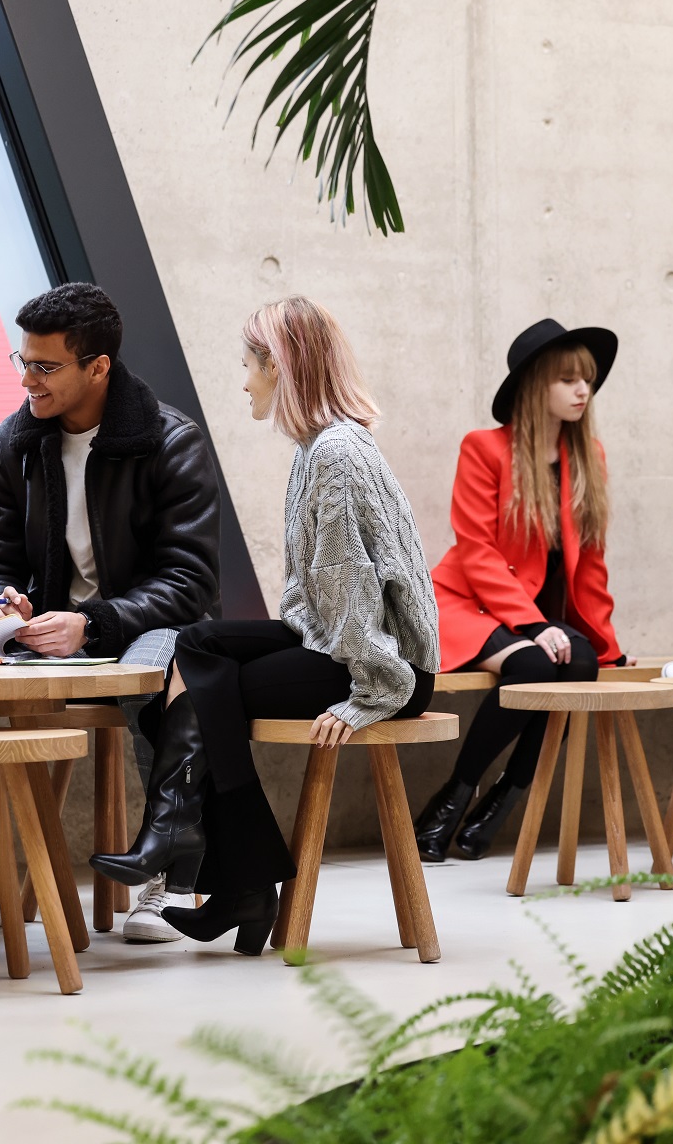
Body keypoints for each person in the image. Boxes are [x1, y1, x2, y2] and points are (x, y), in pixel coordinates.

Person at [88, 295, 439, 955]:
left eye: (250, 364)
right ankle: (210, 860)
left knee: (199, 684)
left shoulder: (335, 453)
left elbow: (354, 590)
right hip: (340, 639)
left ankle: (221, 866)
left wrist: (371, 694)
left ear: (283, 368)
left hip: (383, 663)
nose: (244, 380)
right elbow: (320, 598)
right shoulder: (319, 448)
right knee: (197, 644)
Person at [0, 282, 221, 943]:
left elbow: (190, 580)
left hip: (146, 624)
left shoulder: (170, 442)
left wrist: (95, 621)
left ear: (97, 367)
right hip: (51, 633)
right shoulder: (12, 445)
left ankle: (172, 882)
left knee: (160, 673)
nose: (28, 379)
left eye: (45, 367)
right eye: (22, 362)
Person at [415, 319, 625, 864]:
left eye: (588, 380)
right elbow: (476, 549)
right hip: (467, 603)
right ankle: (451, 800)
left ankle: (507, 798)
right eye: (568, 380)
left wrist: (606, 644)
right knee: (532, 666)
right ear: (537, 386)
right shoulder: (485, 448)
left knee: (582, 666)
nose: (584, 390)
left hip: (532, 619)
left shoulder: (588, 458)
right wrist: (534, 626)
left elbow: (589, 567)